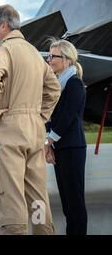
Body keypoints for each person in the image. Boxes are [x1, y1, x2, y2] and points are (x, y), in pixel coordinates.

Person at [0, 4, 61, 235]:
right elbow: (54, 88)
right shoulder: (34, 52)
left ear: (3, 26)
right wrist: (40, 115)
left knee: (11, 194)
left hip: (10, 129)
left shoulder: (2, 52)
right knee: (36, 193)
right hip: (34, 130)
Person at [44, 38, 88, 235]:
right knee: (67, 203)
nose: (49, 59)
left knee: (75, 202)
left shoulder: (74, 84)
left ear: (67, 60)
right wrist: (50, 144)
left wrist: (48, 142)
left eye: (54, 56)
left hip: (72, 147)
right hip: (61, 147)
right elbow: (50, 117)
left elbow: (67, 118)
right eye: (49, 55)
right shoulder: (56, 85)